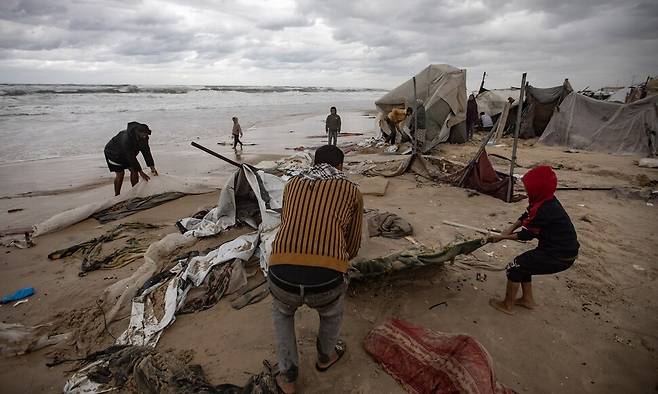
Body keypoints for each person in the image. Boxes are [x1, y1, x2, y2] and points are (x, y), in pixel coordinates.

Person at [268, 145, 363, 394]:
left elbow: (286, 222)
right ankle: (325, 357)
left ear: (314, 164)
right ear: (340, 167)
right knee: (331, 312)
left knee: (282, 313)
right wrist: (338, 259)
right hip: (326, 281)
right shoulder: (351, 190)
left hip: (281, 273)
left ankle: (287, 377)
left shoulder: (292, 185)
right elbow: (352, 244)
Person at [488, 166, 579, 315]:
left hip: (559, 256)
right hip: (557, 249)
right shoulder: (544, 199)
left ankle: (507, 305)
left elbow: (526, 235)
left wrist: (502, 237)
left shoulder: (545, 209)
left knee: (515, 267)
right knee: (525, 263)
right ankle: (527, 300)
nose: (526, 190)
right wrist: (508, 230)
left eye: (528, 187)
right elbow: (526, 214)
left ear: (538, 188)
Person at [104, 121, 158, 196]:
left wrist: (152, 167)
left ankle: (135, 193)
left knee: (134, 170)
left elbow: (146, 152)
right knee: (120, 174)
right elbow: (131, 157)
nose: (145, 137)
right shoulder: (126, 138)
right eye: (143, 135)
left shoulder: (144, 137)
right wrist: (141, 172)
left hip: (127, 153)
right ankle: (117, 195)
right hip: (113, 153)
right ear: (137, 132)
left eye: (146, 135)